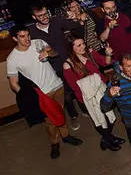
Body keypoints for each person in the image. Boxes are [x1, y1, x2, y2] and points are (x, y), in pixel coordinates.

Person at [7, 26, 83, 159]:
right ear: (15, 38)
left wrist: (49, 52)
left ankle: (66, 136)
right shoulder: (12, 59)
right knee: (50, 121)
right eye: (22, 36)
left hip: (57, 84)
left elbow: (54, 53)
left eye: (28, 35)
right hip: (42, 93)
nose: (27, 39)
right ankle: (54, 144)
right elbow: (13, 84)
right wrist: (29, 97)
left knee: (60, 112)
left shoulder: (38, 42)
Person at [28, 3, 84, 127]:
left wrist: (75, 19)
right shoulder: (32, 32)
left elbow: (78, 30)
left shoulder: (57, 21)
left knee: (78, 87)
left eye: (46, 13)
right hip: (53, 68)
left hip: (69, 62)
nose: (45, 17)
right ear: (34, 17)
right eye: (40, 16)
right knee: (66, 95)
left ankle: (84, 108)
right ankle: (73, 116)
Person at [62, 36, 121, 151]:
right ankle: (108, 139)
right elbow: (75, 87)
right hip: (88, 98)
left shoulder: (90, 53)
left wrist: (108, 54)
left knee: (110, 116)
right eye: (78, 45)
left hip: (103, 91)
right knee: (99, 119)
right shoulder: (68, 65)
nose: (83, 47)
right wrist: (88, 98)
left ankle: (106, 138)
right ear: (71, 48)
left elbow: (105, 63)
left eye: (83, 43)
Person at [98, 0, 131, 66]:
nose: (112, 10)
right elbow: (102, 39)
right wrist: (108, 28)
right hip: (119, 61)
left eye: (113, 7)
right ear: (102, 9)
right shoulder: (101, 23)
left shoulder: (126, 15)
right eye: (108, 8)